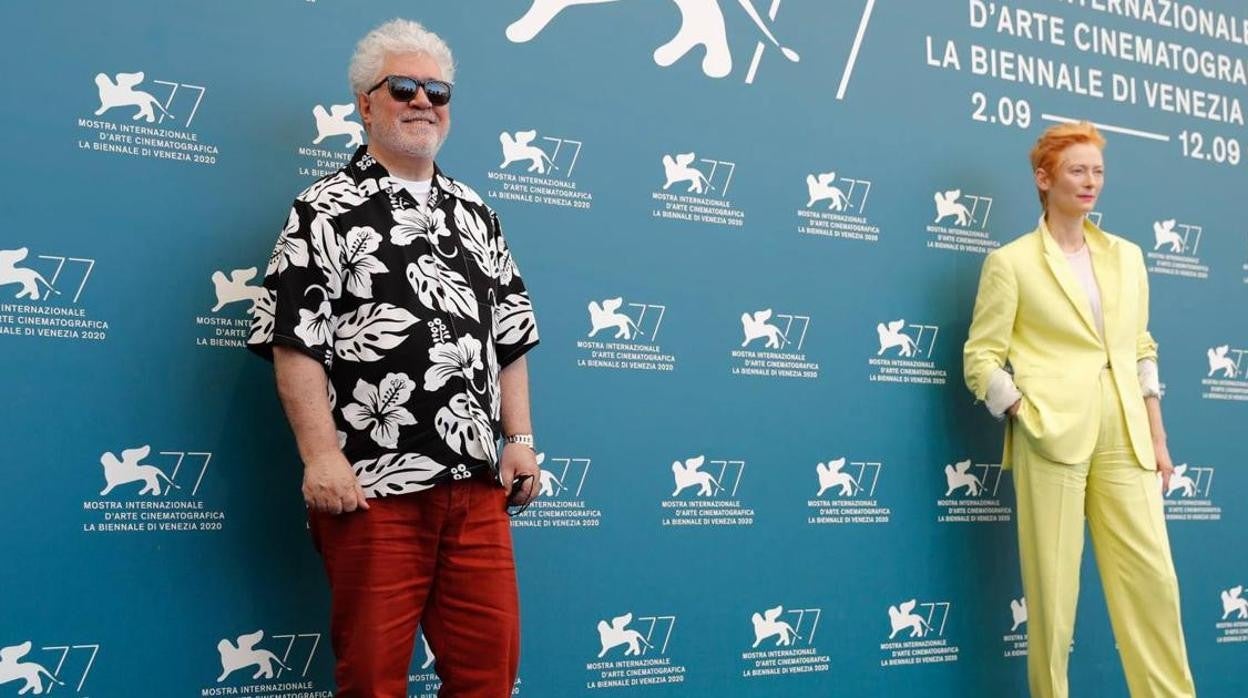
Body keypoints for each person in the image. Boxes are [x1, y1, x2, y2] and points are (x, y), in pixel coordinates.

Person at [247, 18, 541, 698]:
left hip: (476, 491)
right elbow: (294, 342)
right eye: (403, 86)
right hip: (373, 493)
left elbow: (512, 337)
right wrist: (321, 458)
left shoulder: (477, 212)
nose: (422, 102)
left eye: (437, 91)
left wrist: (520, 439)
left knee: (487, 681)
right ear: (365, 103)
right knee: (373, 683)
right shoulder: (322, 209)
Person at [963, 121, 1196, 698]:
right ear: (1044, 179)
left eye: (1097, 170)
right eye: (1077, 170)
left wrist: (1158, 437)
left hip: (1127, 433)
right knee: (1052, 597)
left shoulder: (1128, 257)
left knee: (1155, 585)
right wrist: (1022, 408)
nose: (1090, 181)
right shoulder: (1011, 262)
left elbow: (1140, 348)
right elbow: (981, 357)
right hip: (1052, 435)